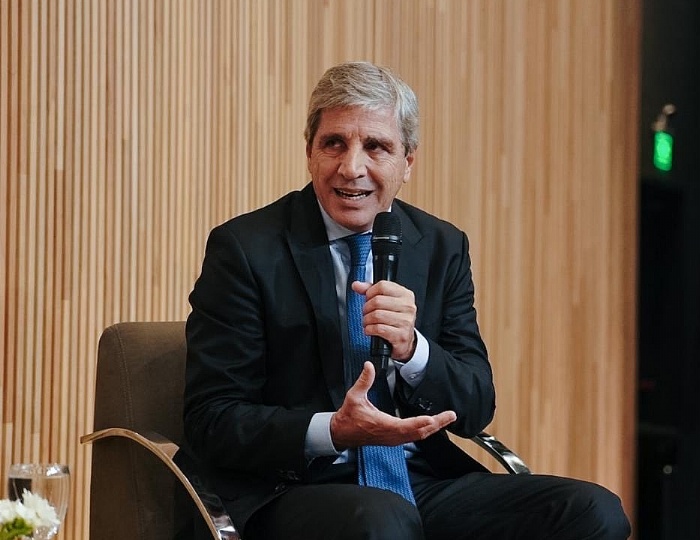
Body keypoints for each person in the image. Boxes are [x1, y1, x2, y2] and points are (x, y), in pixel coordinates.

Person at [180, 61, 630, 539]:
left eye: (376, 146)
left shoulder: (440, 246)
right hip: (297, 487)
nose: (352, 167)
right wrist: (333, 429)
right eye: (334, 143)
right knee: (382, 521)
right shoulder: (247, 248)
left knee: (594, 512)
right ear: (310, 151)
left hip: (419, 483)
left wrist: (415, 350)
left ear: (408, 162)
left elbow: (475, 405)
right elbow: (213, 418)